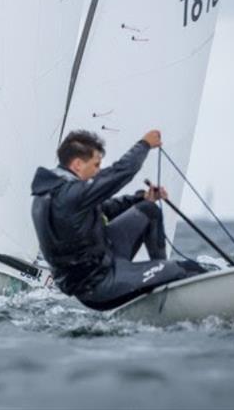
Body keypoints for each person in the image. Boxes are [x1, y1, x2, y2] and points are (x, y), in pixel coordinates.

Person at [30, 129, 206, 310]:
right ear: (77, 165)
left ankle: (161, 282)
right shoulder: (68, 196)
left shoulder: (54, 192)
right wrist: (144, 144)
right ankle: (167, 282)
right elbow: (121, 172)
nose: (98, 171)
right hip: (100, 287)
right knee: (188, 269)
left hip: (103, 262)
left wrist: (141, 198)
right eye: (96, 165)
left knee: (148, 209)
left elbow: (103, 210)